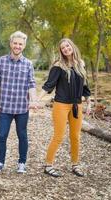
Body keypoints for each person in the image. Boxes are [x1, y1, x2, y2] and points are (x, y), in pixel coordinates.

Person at [37, 38, 91, 177]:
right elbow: (49, 85)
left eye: (67, 46)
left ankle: (75, 164)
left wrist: (89, 102)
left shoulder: (81, 64)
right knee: (59, 136)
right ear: (61, 51)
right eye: (63, 48)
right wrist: (37, 99)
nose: (66, 49)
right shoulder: (59, 65)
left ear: (72, 46)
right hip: (61, 104)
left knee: (75, 136)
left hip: (76, 105)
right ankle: (48, 165)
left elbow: (85, 86)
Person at [0, 31, 38, 173]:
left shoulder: (28, 64)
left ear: (24, 46)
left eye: (20, 44)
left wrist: (33, 101)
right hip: (4, 107)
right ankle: (0, 162)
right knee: (2, 135)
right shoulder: (1, 61)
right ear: (11, 44)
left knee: (22, 135)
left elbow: (31, 84)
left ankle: (22, 163)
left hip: (22, 108)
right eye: (15, 43)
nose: (17, 46)